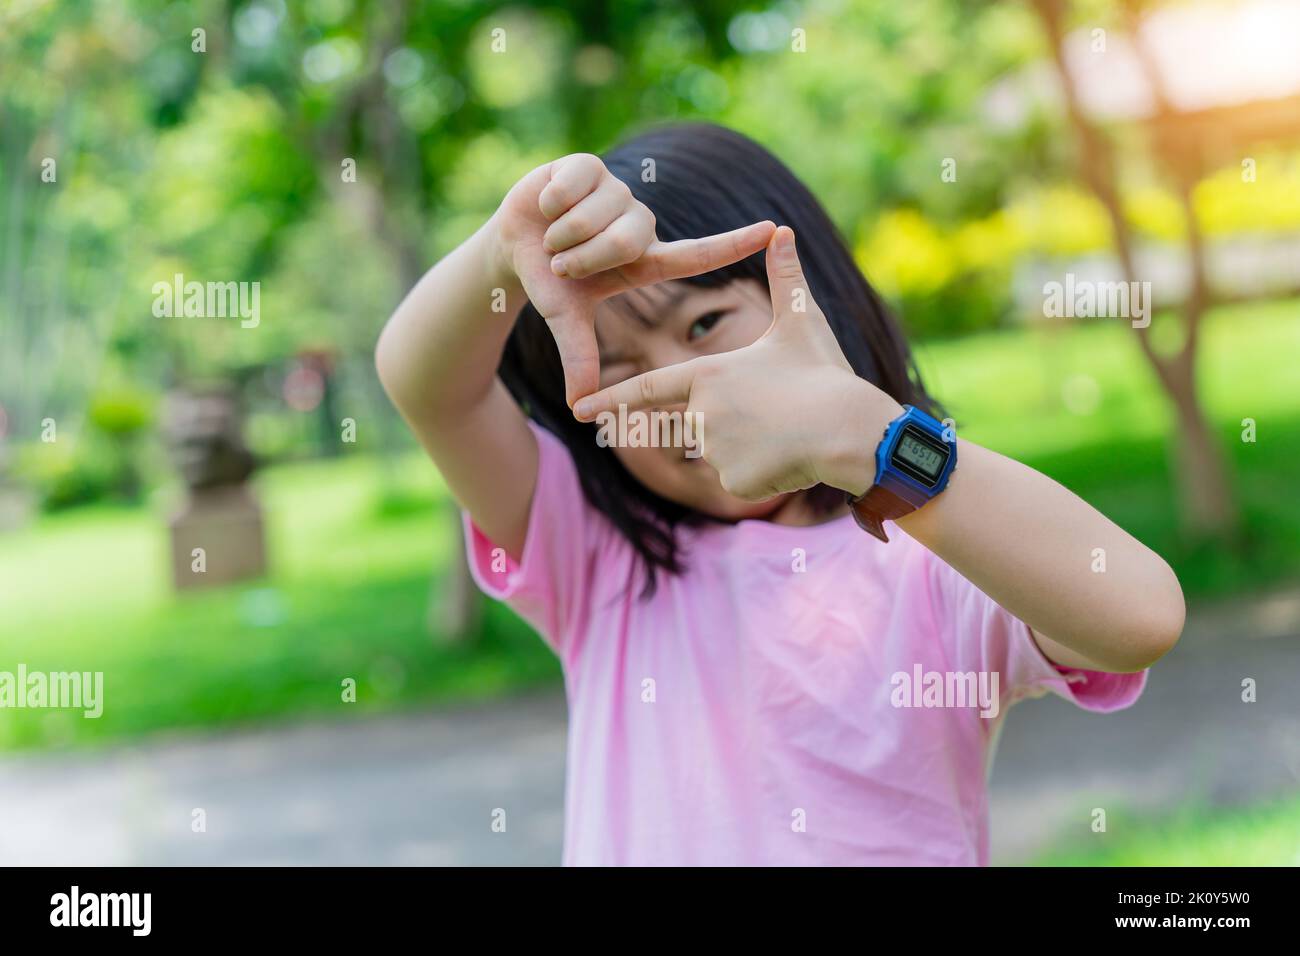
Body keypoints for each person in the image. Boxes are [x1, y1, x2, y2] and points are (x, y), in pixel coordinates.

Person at [375, 123, 1185, 865]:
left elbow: (1139, 617)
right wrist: (498, 253)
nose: (676, 387)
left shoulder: (933, 551)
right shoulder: (592, 553)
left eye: (703, 326)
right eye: (617, 369)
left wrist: (864, 435)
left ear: (816, 300)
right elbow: (428, 386)